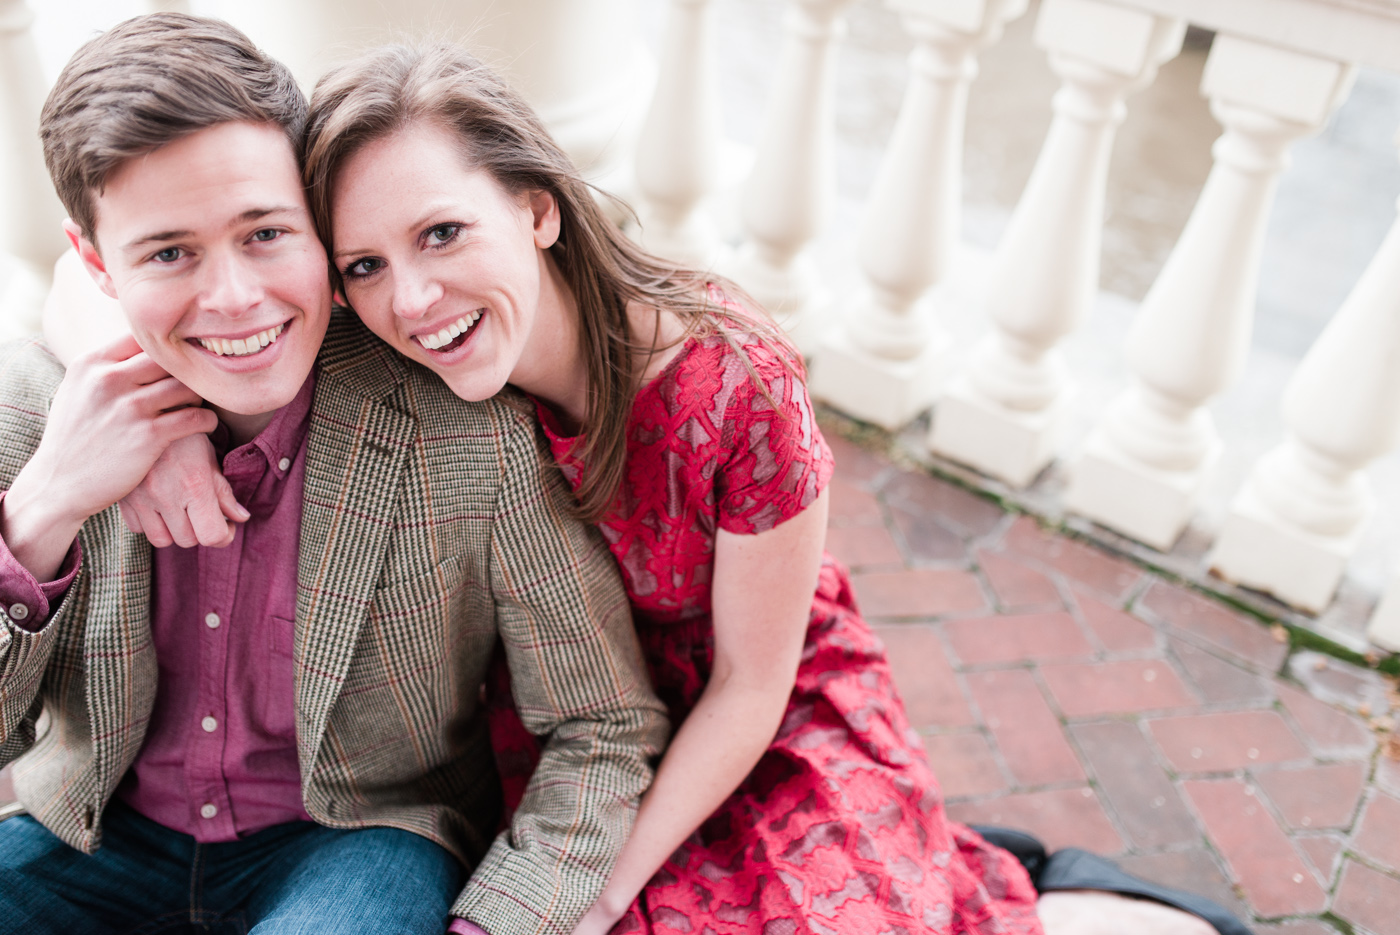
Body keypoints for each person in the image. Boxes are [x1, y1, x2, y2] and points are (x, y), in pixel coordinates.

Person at [75, 38, 1252, 935]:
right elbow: (184, 306)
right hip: (550, 708)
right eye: (365, 265)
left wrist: (609, 885)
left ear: (535, 206)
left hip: (747, 700)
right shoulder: (373, 341)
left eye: (442, 234)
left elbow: (750, 680)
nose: (412, 299)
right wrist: (169, 428)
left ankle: (1019, 872)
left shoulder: (731, 382)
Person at [0, 15, 667, 935]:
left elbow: (602, 722)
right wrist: (42, 511)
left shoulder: (466, 434)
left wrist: (502, 921)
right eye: (168, 252)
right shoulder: (34, 416)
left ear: (318, 225)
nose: (234, 297)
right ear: (93, 263)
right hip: (92, 833)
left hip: (357, 838)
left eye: (266, 232)